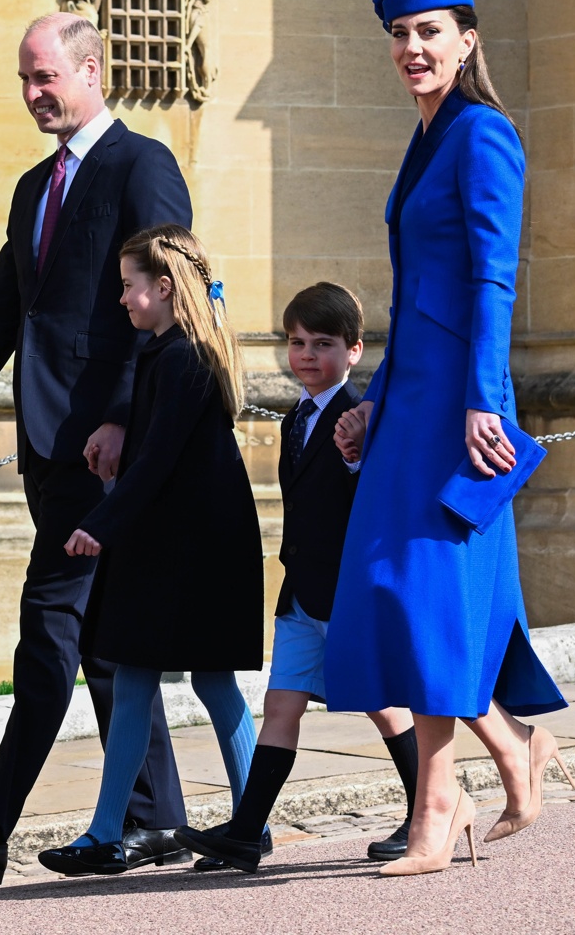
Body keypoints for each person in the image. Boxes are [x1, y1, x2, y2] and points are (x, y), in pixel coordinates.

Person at [0, 13, 192, 884]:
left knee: (49, 630)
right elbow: (2, 313)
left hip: (104, 452)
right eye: (24, 81)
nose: (31, 96)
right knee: (103, 639)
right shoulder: (33, 187)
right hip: (45, 446)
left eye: (44, 79)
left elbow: (173, 295)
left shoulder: (143, 164)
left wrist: (123, 417)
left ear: (91, 70)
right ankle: (156, 819)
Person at [323, 0, 574, 878]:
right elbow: (413, 294)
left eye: (430, 32)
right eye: (400, 33)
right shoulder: (424, 139)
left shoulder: (483, 136)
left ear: (467, 42)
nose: (412, 48)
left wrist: (480, 403)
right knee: (400, 592)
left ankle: (441, 802)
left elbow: (492, 281)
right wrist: (373, 398)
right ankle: (512, 752)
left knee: (427, 596)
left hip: (460, 409)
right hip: (413, 402)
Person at [37, 225, 263, 876]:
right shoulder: (162, 351)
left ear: (163, 288)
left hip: (198, 546)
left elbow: (160, 458)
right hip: (166, 540)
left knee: (211, 680)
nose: (123, 300)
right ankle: (108, 831)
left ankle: (252, 822)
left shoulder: (188, 357)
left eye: (130, 286)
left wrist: (102, 521)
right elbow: (152, 457)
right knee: (133, 675)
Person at [174, 282, 418, 873]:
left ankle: (427, 812)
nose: (307, 354)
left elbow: (376, 499)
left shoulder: (358, 416)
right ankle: (246, 831)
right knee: (282, 705)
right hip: (302, 591)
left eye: (324, 343)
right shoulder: (293, 421)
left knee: (384, 707)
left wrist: (357, 457)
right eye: (297, 341)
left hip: (349, 592)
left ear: (355, 351)